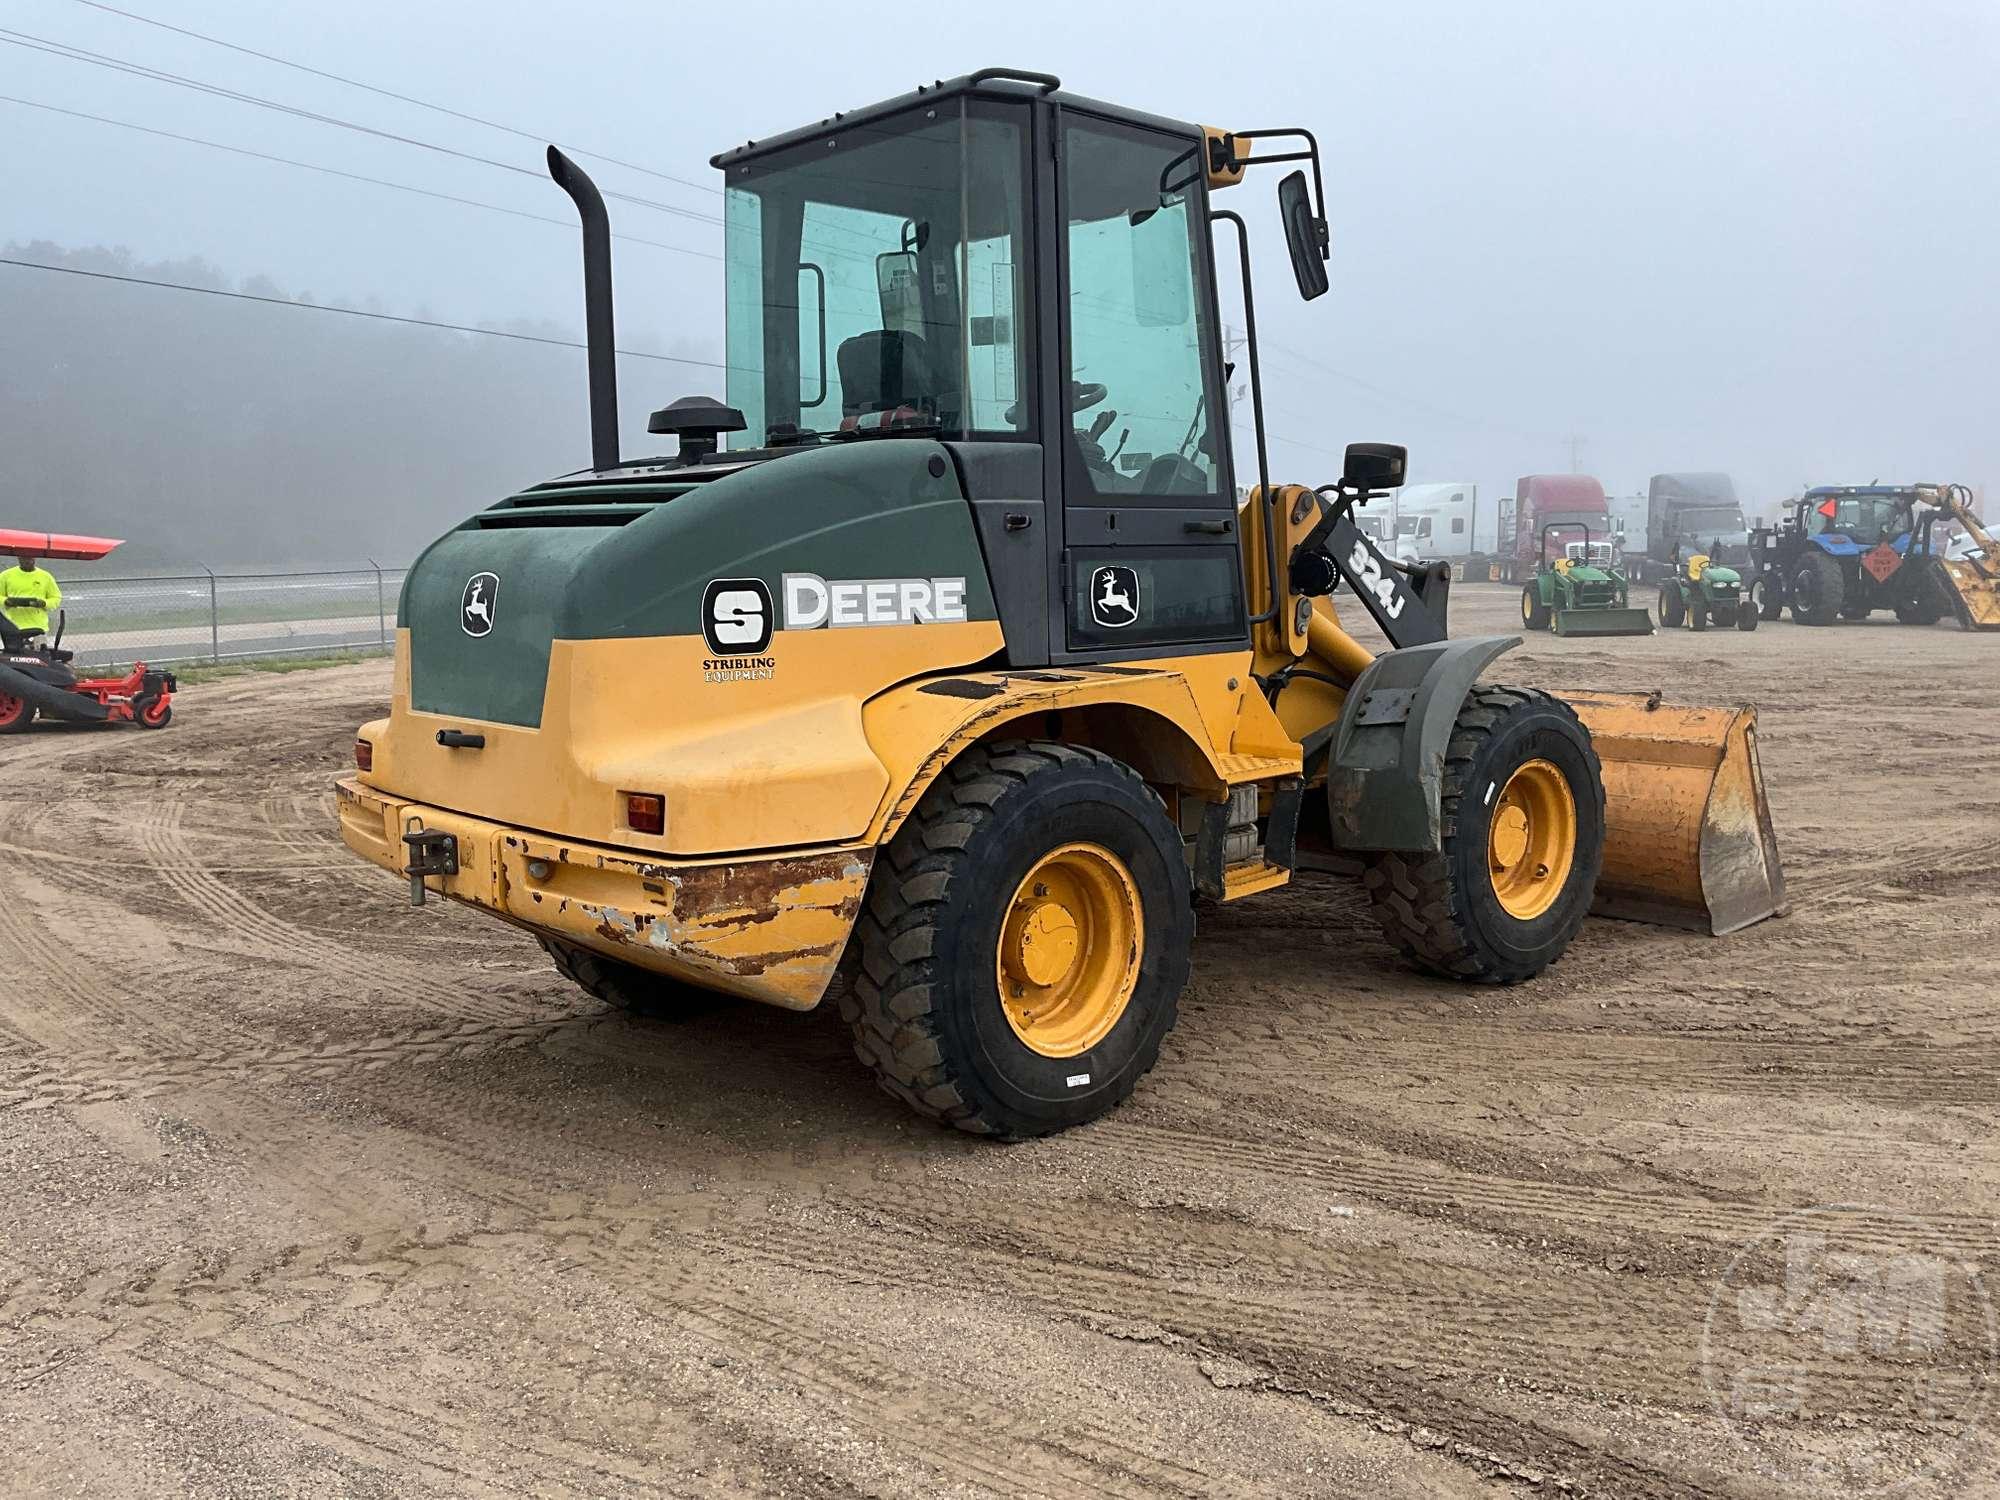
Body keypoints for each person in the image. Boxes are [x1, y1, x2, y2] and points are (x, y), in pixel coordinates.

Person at [1, 551, 62, 651]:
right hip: (13, 627)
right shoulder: (6, 575)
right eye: (24, 558)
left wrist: (43, 603)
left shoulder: (45, 576)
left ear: (35, 558)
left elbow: (56, 598)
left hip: (38, 627)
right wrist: (6, 601)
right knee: (16, 656)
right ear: (18, 558)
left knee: (39, 657)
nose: (27, 561)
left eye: (30, 558)